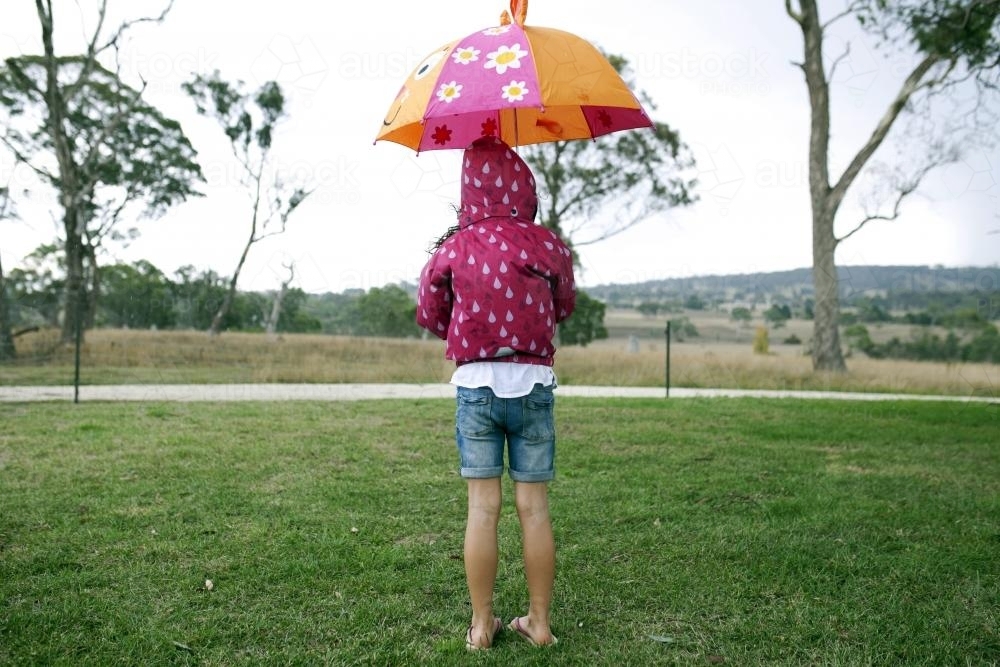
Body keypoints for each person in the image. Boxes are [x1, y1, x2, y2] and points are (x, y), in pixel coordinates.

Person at [416, 136, 576, 650]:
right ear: (524, 188)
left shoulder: (455, 247)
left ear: (470, 190)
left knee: (482, 510)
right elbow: (564, 303)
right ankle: (540, 623)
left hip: (476, 389)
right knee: (534, 509)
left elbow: (429, 310)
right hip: (532, 385)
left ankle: (482, 625)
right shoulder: (545, 244)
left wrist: (468, 328)